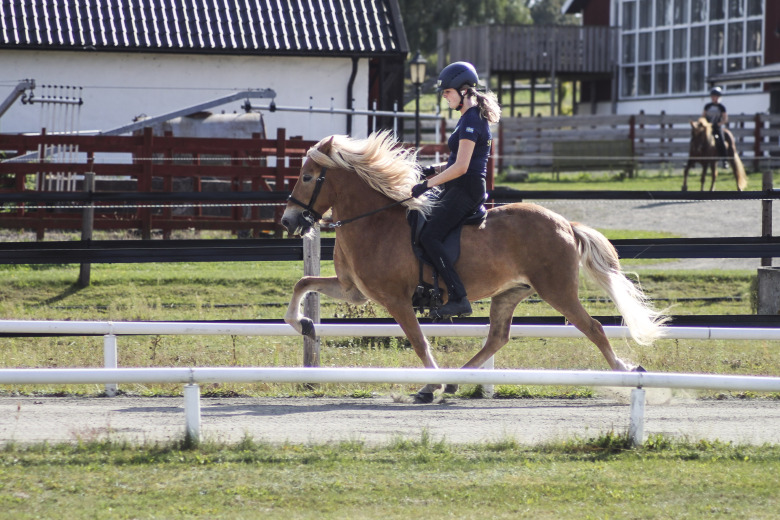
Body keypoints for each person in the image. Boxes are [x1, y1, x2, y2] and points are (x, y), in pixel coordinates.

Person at [410, 61, 501, 319]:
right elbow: (455, 162)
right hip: (458, 186)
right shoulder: (467, 118)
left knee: (430, 236)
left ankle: (459, 296)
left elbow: (462, 167)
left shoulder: (472, 120)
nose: (445, 98)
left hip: (466, 190)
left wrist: (425, 185)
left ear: (463, 91)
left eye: (447, 92)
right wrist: (430, 170)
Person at [703, 86, 729, 168]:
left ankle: (725, 160)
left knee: (721, 141)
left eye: (716, 96)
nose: (715, 98)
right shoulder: (707, 106)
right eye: (713, 96)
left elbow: (725, 119)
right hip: (707, 127)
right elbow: (702, 117)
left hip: (716, 127)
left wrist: (718, 124)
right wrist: (705, 124)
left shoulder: (721, 107)